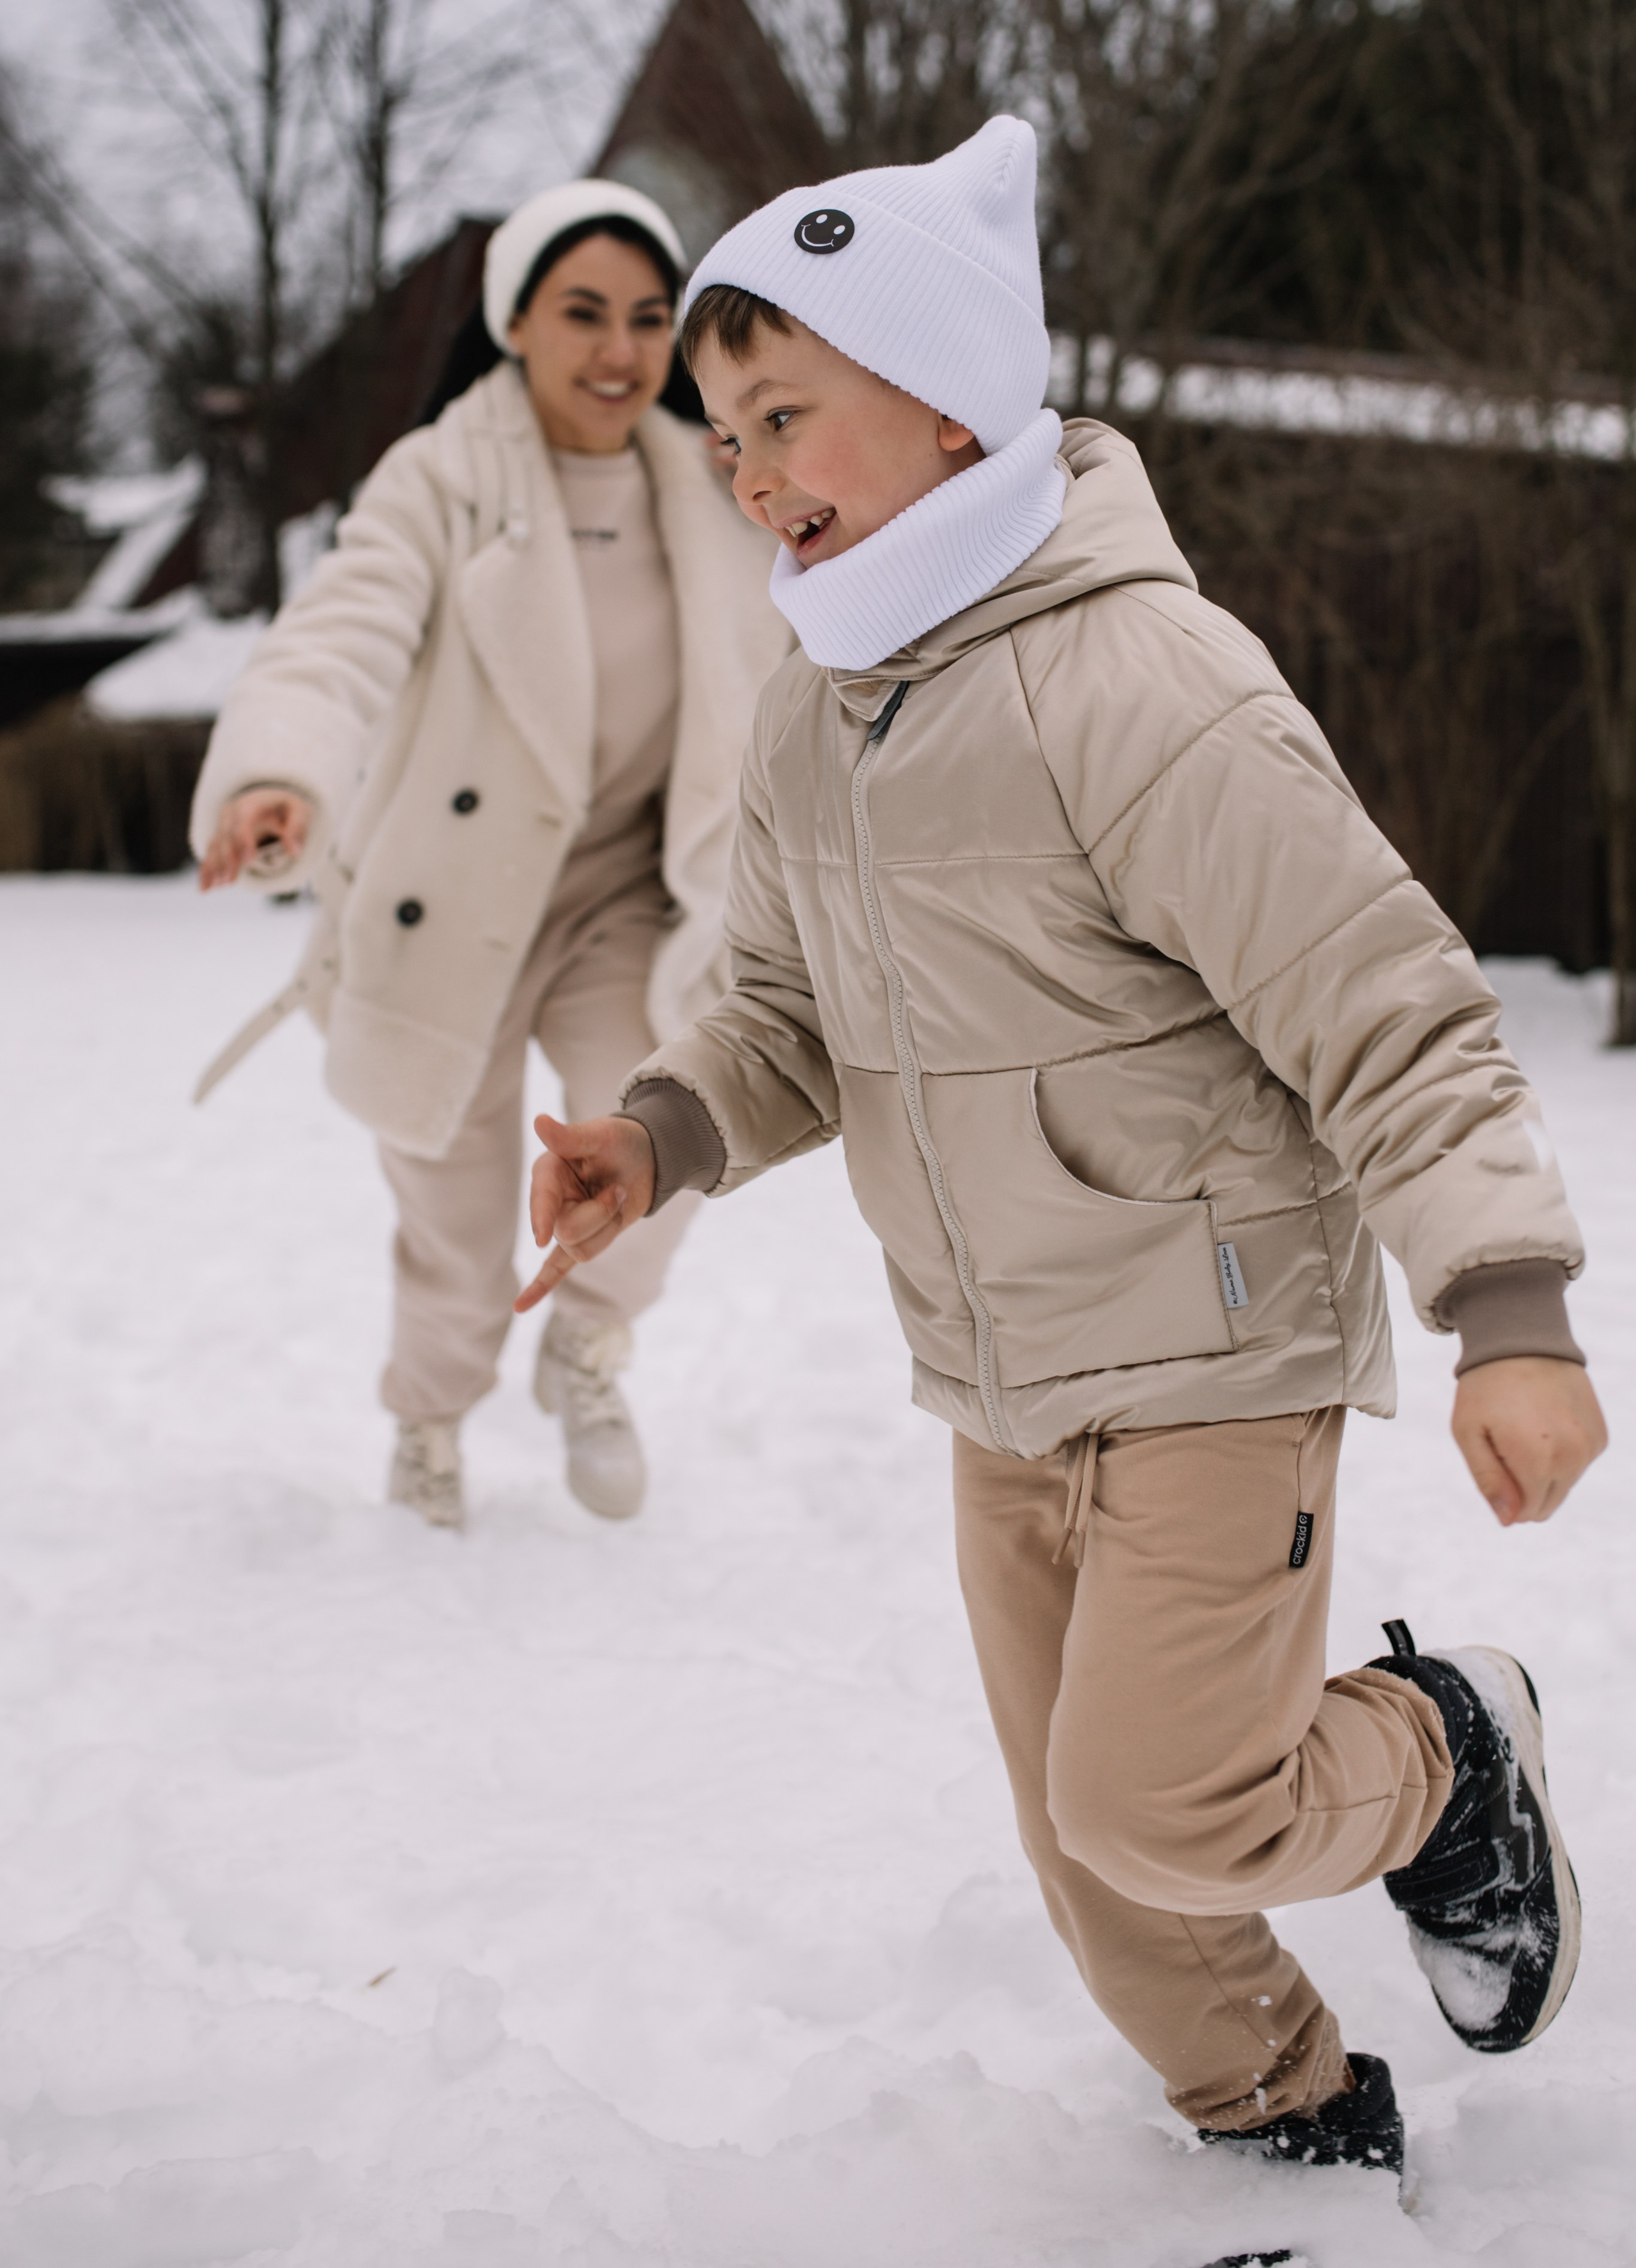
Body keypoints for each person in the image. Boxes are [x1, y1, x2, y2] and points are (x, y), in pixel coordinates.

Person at [513, 120, 1608, 2178]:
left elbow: (1386, 1000)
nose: (746, 475)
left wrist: (1510, 1307)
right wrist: (658, 1138)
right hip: (998, 1371)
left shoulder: (1142, 678)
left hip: (1209, 1351)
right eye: (721, 434)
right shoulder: (818, 710)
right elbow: (781, 1015)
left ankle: (1447, 1753)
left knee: (1162, 1803)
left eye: (780, 415)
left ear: (945, 405)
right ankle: (1283, 2115)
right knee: (1085, 1842)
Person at [190, 179, 787, 1529]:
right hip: (449, 905)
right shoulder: (440, 477)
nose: (619, 351)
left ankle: (588, 1345)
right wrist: (280, 774)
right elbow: (340, 629)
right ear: (515, 323)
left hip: (629, 899)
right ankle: (430, 1421)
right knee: (455, 1229)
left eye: (647, 317)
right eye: (581, 314)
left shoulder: (713, 485)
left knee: (658, 1128)